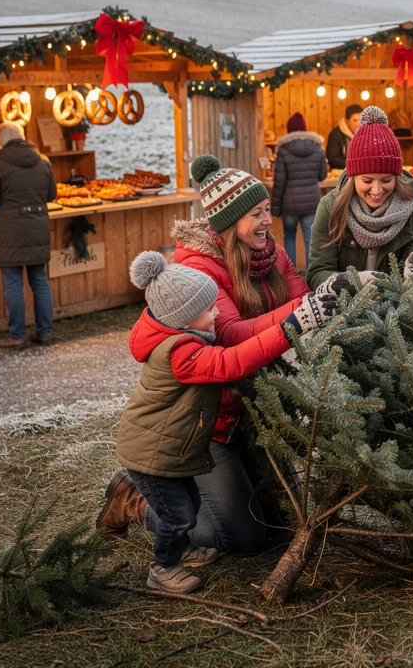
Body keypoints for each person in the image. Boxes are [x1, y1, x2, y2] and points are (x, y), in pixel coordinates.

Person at [98, 154, 345, 554]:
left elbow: (305, 296)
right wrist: (300, 318)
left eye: (268, 210)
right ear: (230, 223)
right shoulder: (199, 267)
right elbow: (229, 338)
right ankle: (134, 500)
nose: (268, 220)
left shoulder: (270, 254)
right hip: (211, 424)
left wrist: (338, 292)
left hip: (254, 413)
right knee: (237, 540)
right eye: (257, 214)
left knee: (281, 526)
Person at [113, 251, 336, 593]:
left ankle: (181, 546)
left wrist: (312, 301)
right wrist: (292, 327)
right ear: (184, 319)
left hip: (176, 447)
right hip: (154, 454)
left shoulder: (188, 335)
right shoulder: (181, 353)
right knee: (179, 515)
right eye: (209, 309)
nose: (218, 311)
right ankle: (162, 568)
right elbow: (233, 362)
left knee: (189, 506)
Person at [306, 107, 413, 290]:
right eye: (367, 180)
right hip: (343, 313)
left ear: (397, 177)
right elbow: (317, 274)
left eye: (386, 180)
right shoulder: (330, 208)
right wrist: (356, 281)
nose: (377, 190)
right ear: (353, 177)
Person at [0, 122, 56, 349]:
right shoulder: (43, 161)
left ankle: (17, 336)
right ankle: (45, 333)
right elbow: (51, 194)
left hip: (10, 232)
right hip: (38, 228)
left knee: (13, 285)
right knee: (40, 282)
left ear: (2, 141)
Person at [270, 111, 328, 267]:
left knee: (289, 237)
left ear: (289, 131)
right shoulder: (317, 148)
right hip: (311, 203)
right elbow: (322, 175)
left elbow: (279, 182)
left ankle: (292, 275)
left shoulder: (283, 150)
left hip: (290, 204)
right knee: (310, 238)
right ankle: (311, 277)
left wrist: (275, 209)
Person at [325, 103, 362, 170]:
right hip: (342, 174)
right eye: (355, 120)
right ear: (347, 121)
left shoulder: (365, 135)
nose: (358, 124)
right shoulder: (335, 135)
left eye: (360, 120)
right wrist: (352, 166)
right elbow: (333, 159)